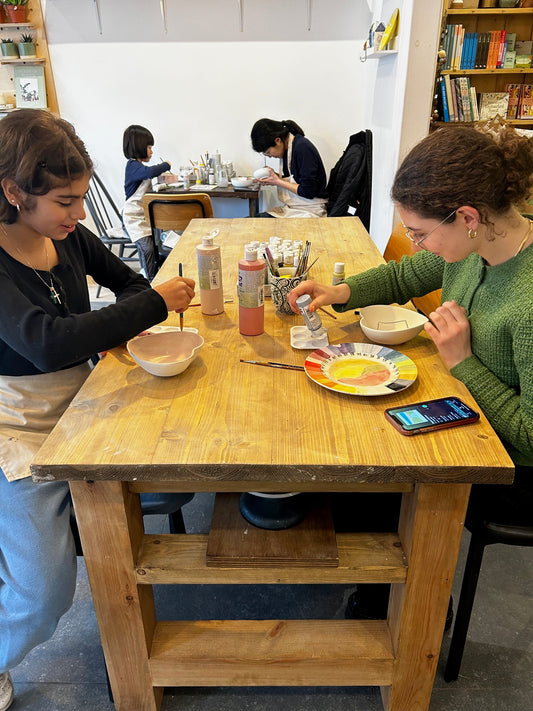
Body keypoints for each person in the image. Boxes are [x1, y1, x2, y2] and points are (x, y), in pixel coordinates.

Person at [288, 124, 533, 618]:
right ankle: (384, 579)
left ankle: (410, 606)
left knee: (370, 472)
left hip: (514, 468)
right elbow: (405, 275)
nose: (416, 245)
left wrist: (464, 364)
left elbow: (530, 438)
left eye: (420, 233)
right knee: (345, 439)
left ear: (467, 216)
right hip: (466, 407)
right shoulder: (474, 248)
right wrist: (340, 293)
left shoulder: (527, 302)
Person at [0, 109, 196, 711]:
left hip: (82, 406)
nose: (78, 214)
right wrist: (129, 316)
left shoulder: (68, 238)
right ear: (13, 192)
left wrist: (117, 320)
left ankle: (137, 653)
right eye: (64, 200)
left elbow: (131, 284)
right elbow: (48, 340)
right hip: (19, 426)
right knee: (43, 594)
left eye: (81, 198)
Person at [122, 124, 172, 280]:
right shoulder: (133, 166)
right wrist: (166, 165)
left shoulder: (138, 167)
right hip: (132, 219)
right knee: (147, 248)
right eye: (149, 147)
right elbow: (149, 172)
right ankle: (148, 280)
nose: (151, 151)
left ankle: (156, 274)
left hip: (143, 217)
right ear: (138, 147)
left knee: (156, 245)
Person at [250, 118, 328, 218]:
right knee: (254, 220)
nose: (269, 156)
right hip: (295, 208)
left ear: (278, 140)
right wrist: (273, 178)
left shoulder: (302, 148)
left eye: (268, 152)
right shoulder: (287, 150)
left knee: (258, 222)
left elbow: (308, 191)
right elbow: (296, 180)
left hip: (310, 210)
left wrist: (278, 181)